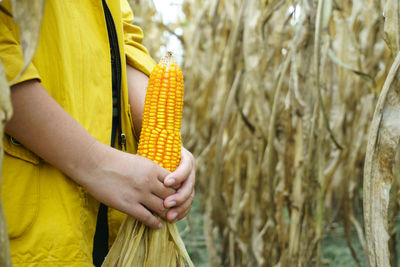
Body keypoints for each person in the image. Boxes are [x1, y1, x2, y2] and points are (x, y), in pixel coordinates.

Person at [0, 0, 196, 266]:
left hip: (112, 218)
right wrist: (96, 163)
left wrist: (165, 143)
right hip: (35, 217)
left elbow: (121, 42)